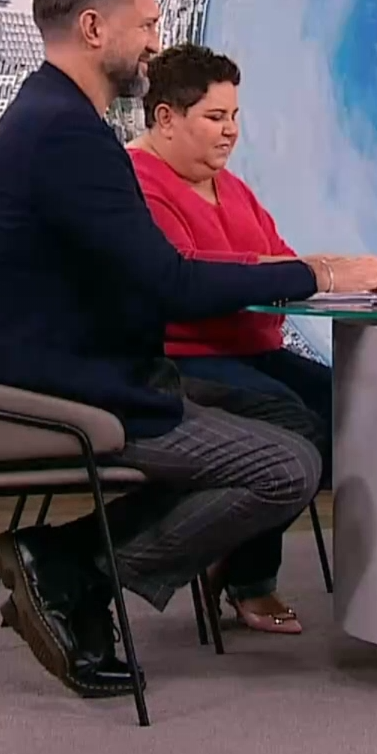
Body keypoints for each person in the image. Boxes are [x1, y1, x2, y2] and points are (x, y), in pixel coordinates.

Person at [0, 0, 377, 698]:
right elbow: (169, 283)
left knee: (294, 427)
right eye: (147, 24)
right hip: (67, 385)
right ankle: (73, 568)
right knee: (286, 466)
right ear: (94, 28)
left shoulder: (52, 119)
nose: (155, 42)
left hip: (85, 365)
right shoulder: (65, 136)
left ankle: (73, 567)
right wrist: (322, 276)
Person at [125, 42, 336, 636]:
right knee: (295, 421)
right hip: (183, 359)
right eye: (215, 117)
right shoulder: (136, 184)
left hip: (254, 350)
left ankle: (235, 542)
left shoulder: (231, 187)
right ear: (166, 117)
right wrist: (294, 270)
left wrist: (339, 273)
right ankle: (249, 578)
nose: (231, 131)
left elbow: (281, 261)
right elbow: (190, 279)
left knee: (354, 405)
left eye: (235, 116)